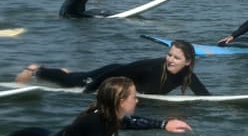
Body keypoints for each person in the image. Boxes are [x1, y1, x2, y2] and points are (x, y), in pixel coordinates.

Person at [0, 77, 192, 136]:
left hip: (38, 134)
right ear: (121, 101)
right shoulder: (98, 123)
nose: (137, 100)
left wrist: (165, 124)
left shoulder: (110, 114)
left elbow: (131, 122)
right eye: (134, 97)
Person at [15, 40, 209, 95]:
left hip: (117, 77)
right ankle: (36, 70)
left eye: (176, 58)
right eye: (169, 55)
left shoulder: (187, 75)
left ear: (188, 62)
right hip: (111, 74)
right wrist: (87, 91)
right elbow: (115, 73)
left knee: (76, 76)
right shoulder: (150, 67)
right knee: (73, 83)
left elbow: (205, 97)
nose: (170, 60)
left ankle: (68, 72)